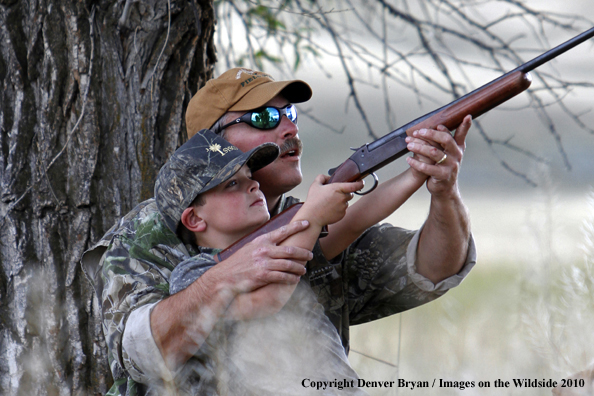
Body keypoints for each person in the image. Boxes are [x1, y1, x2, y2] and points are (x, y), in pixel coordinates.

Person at [82, 67, 476, 395]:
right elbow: (140, 352)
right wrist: (227, 278)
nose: (289, 127)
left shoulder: (302, 215)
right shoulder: (153, 233)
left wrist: (434, 184)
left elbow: (432, 267)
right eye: (264, 118)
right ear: (214, 143)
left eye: (291, 115)